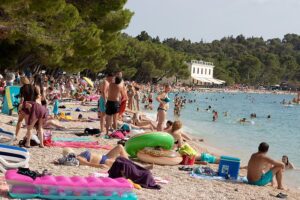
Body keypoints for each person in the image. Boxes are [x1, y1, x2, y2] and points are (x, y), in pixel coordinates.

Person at [55, 144, 128, 169]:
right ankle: (130, 164)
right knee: (123, 164)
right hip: (103, 161)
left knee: (120, 146)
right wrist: (99, 166)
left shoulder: (80, 155)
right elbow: (87, 164)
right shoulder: (78, 158)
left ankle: (130, 163)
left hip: (105, 156)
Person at [15, 77, 36, 141]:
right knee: (29, 123)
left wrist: (20, 107)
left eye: (20, 81)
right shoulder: (33, 87)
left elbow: (22, 99)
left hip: (25, 105)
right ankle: (26, 137)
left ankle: (16, 136)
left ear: (22, 81)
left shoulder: (22, 88)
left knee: (20, 121)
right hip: (32, 105)